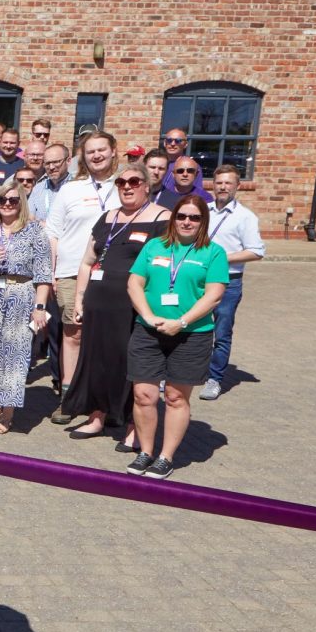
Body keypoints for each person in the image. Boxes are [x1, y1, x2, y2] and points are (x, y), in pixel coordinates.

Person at [60, 164, 170, 442]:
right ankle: (97, 417)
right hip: (99, 304)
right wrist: (80, 299)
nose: (127, 187)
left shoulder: (162, 218)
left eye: (134, 181)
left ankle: (134, 427)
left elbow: (164, 267)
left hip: (133, 307)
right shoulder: (107, 217)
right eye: (121, 182)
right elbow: (87, 262)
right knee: (97, 361)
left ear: (147, 186)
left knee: (130, 364)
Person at [125, 195, 229, 479]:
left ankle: (165, 457)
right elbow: (134, 283)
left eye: (194, 217)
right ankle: (146, 451)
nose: (187, 222)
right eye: (182, 216)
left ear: (203, 221)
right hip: (148, 331)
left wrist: (182, 322)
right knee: (143, 395)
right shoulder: (154, 246)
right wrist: (147, 315)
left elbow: (214, 296)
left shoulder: (213, 252)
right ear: (173, 218)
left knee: (174, 397)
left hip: (191, 335)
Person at [45, 131, 122, 423]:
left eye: (102, 149)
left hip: (112, 274)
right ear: (82, 157)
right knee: (73, 334)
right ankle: (68, 398)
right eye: (90, 151)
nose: (97, 155)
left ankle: (105, 402)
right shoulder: (70, 190)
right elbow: (53, 233)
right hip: (69, 271)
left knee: (106, 337)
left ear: (113, 151)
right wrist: (52, 273)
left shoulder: (125, 186)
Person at [0, 181, 53, 435]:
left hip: (20, 296)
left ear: (21, 203)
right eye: (2, 200)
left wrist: (40, 307)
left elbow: (43, 273)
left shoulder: (34, 231)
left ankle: (7, 415)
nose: (7, 204)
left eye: (13, 200)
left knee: (14, 355)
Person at [199, 166, 264, 400]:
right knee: (189, 326)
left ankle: (214, 379)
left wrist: (221, 258)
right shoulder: (202, 211)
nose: (223, 187)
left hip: (228, 282)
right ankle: (182, 372)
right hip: (198, 279)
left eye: (228, 183)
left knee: (222, 332)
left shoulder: (245, 217)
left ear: (237, 186)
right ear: (213, 185)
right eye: (219, 183)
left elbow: (256, 251)